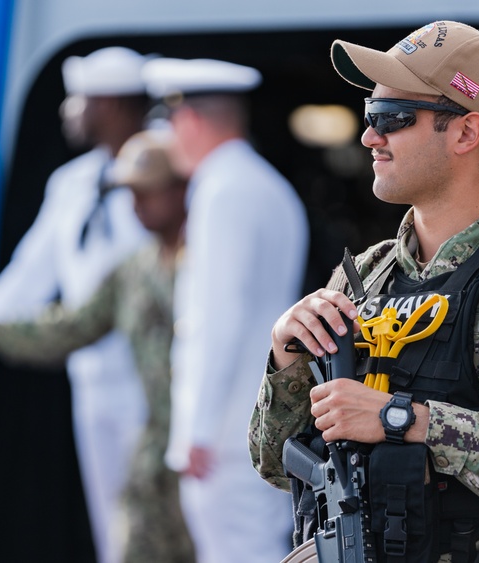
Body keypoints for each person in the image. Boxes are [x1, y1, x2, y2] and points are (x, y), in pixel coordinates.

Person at [249, 21, 479, 562]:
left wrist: (403, 420)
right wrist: (286, 357)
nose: (368, 137)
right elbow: (275, 465)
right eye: (370, 118)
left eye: (391, 119)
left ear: (467, 133)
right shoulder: (367, 275)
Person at [0, 130, 195, 563]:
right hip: (156, 459)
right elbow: (68, 327)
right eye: (130, 195)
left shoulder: (206, 262)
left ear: (181, 189)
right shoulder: (133, 272)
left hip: (209, 451)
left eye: (147, 193)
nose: (136, 206)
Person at [0, 47, 151, 563]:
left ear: (109, 104)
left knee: (166, 522)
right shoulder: (72, 184)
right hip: (92, 380)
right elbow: (31, 272)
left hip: (155, 377)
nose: (69, 111)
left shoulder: (167, 174)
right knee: (114, 529)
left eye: (79, 99)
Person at [142, 57, 309, 562]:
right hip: (259, 416)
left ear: (188, 120)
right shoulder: (261, 181)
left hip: (229, 429)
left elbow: (218, 318)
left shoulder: (223, 188)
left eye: (170, 124)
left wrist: (196, 429)